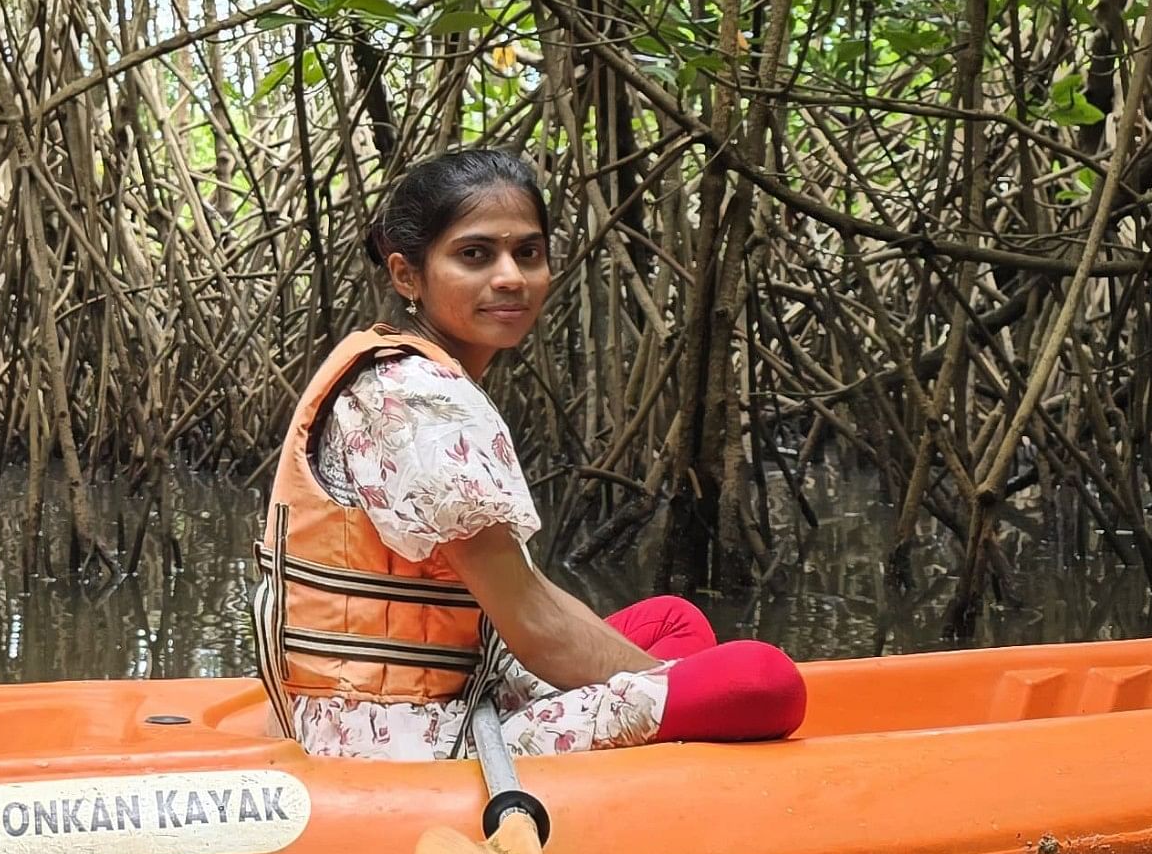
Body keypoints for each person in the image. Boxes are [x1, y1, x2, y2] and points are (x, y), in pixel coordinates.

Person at [256, 146, 806, 760]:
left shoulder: (401, 366)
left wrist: (659, 681)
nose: (510, 277)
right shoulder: (419, 396)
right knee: (763, 680)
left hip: (448, 691)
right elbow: (536, 628)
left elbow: (522, 592)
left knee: (675, 624)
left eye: (528, 253)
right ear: (407, 275)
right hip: (394, 735)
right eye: (475, 254)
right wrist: (663, 686)